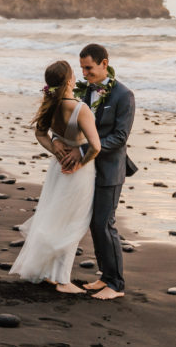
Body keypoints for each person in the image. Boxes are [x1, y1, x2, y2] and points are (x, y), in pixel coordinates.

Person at [9, 60, 101, 293]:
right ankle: (63, 280)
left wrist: (56, 149)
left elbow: (40, 134)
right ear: (70, 81)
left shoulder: (50, 104)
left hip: (57, 169)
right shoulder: (80, 109)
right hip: (78, 172)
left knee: (54, 217)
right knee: (72, 223)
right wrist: (79, 162)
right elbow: (95, 147)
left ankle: (48, 273)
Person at [56, 44, 136, 301]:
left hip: (110, 170)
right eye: (81, 68)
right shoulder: (85, 91)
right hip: (86, 171)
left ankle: (116, 284)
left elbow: (120, 137)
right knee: (94, 224)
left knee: (105, 223)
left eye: (89, 68)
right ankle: (105, 276)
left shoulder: (124, 95)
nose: (85, 73)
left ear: (104, 63)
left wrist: (84, 150)